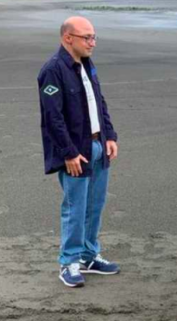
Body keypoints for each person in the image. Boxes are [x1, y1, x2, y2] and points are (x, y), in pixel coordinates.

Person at [38, 16, 120, 288]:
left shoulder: (86, 65)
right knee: (75, 207)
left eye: (94, 37)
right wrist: (69, 153)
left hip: (98, 145)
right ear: (67, 38)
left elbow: (99, 102)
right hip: (75, 152)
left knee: (95, 205)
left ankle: (88, 255)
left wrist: (109, 135)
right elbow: (53, 117)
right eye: (87, 37)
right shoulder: (53, 69)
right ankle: (69, 262)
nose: (92, 42)